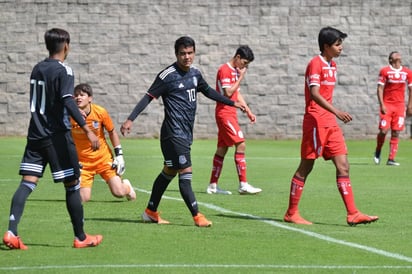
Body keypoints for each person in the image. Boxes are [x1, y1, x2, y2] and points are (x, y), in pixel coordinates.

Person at [120, 36, 246, 227]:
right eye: (182, 53)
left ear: (194, 53)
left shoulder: (195, 74)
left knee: (169, 171)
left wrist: (232, 103)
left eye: (190, 53)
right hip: (173, 133)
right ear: (176, 54)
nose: (186, 57)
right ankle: (197, 216)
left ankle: (150, 211)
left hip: (185, 133)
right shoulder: (167, 75)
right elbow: (148, 97)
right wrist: (131, 119)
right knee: (185, 172)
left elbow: (209, 91)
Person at [2, 28, 103, 250]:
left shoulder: (37, 68)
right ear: (66, 45)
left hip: (35, 134)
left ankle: (11, 231)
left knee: (27, 183)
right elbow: (68, 100)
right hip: (57, 136)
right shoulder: (64, 70)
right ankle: (81, 237)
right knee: (72, 185)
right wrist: (87, 129)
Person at [283, 27, 379, 226]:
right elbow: (315, 93)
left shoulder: (332, 65)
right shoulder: (315, 64)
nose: (341, 48)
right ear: (326, 47)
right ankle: (291, 212)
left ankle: (353, 213)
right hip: (316, 122)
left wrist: (333, 115)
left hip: (330, 123)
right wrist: (336, 111)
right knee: (306, 166)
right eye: (337, 44)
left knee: (344, 166)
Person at [206, 46, 261, 195]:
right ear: (237, 57)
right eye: (244, 62)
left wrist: (248, 110)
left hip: (231, 113)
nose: (245, 66)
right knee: (241, 144)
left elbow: (236, 94)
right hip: (224, 113)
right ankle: (243, 184)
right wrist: (241, 77)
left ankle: (212, 185)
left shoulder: (235, 71)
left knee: (222, 149)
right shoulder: (225, 69)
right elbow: (228, 92)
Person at [70, 83, 136, 202]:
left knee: (118, 193)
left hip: (103, 159)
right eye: (76, 95)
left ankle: (127, 186)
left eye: (82, 95)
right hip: (83, 163)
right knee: (83, 198)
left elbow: (112, 132)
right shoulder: (69, 115)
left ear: (90, 98)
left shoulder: (100, 112)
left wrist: (119, 155)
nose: (78, 97)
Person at [373, 51, 412, 166]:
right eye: (394, 54)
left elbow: (411, 90)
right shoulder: (385, 71)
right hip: (387, 105)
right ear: (390, 60)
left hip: (399, 106)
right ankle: (378, 149)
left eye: (398, 54)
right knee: (384, 130)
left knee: (396, 132)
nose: (398, 54)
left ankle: (391, 159)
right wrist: (382, 104)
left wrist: (409, 105)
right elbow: (379, 88)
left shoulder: (407, 72)